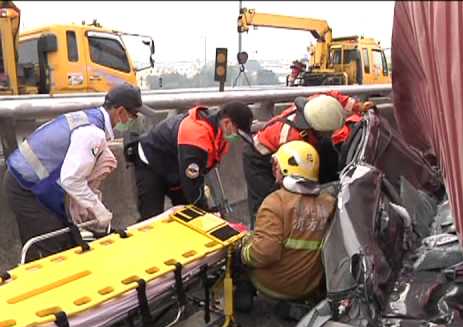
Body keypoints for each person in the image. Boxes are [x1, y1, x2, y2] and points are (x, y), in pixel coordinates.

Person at [4, 83, 147, 261]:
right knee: (52, 246)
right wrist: (98, 210)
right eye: (133, 115)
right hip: (25, 188)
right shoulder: (93, 133)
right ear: (120, 112)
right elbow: (71, 180)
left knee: (67, 239)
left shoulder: (88, 117)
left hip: (28, 181)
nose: (132, 120)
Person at [242, 91, 374, 226]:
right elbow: (287, 175)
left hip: (285, 148)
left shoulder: (320, 104)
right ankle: (261, 233)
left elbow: (335, 96)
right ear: (315, 129)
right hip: (259, 158)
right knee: (268, 202)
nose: (330, 134)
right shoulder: (292, 139)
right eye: (327, 132)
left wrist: (358, 107)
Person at [239, 140, 336, 304]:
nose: (274, 169)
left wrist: (243, 251)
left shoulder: (275, 203)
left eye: (277, 165)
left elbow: (264, 253)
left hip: (275, 285)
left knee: (236, 256)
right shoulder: (329, 203)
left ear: (286, 169)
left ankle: (242, 301)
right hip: (309, 286)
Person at [127, 102, 254, 220]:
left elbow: (198, 175)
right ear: (227, 123)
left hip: (175, 166)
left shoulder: (219, 133)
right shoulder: (196, 137)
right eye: (238, 133)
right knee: (152, 218)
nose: (237, 138)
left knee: (189, 214)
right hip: (151, 162)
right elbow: (192, 185)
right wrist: (206, 213)